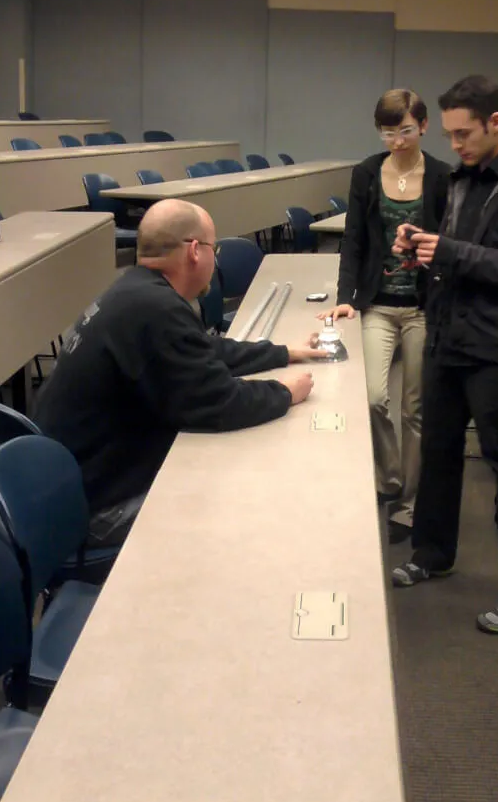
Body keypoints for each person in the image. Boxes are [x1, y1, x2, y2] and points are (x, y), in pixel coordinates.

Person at [34, 198, 324, 547]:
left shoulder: (136, 290)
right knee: (247, 503)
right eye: (213, 249)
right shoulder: (156, 308)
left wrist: (281, 352)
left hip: (73, 488)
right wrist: (285, 392)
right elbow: (219, 403)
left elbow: (202, 350)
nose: (215, 260)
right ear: (194, 252)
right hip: (99, 511)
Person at [390, 74, 498, 636]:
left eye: (464, 133)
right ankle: (433, 552)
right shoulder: (463, 178)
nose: (455, 145)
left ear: (496, 123)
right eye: (449, 135)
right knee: (439, 453)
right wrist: (424, 251)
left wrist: (455, 254)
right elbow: (457, 254)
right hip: (448, 337)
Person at [319, 88, 449, 538]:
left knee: (415, 409)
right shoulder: (366, 173)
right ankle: (388, 478)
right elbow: (353, 238)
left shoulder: (442, 178)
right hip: (378, 303)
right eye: (388, 132)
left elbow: (450, 246)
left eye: (406, 131)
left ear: (424, 126)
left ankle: (411, 502)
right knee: (375, 398)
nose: (397, 141)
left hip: (422, 309)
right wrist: (345, 296)